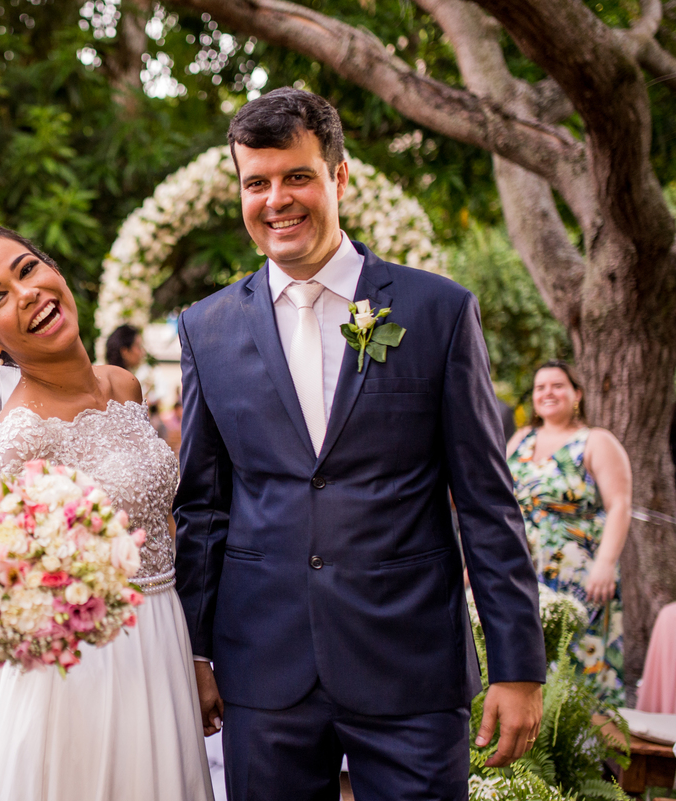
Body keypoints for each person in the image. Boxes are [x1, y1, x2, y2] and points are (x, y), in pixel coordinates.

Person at [174, 88, 545, 800]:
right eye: (257, 182)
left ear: (340, 177)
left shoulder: (439, 311)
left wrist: (517, 664)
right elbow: (204, 507)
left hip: (409, 666)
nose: (276, 199)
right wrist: (193, 647)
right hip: (264, 666)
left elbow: (486, 500)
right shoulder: (205, 329)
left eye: (297, 176)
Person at [0, 225, 213, 801]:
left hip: (166, 639)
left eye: (27, 269)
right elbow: (14, 600)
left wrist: (196, 657)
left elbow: (166, 520)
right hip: (91, 674)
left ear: (53, 270)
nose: (26, 293)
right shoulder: (19, 439)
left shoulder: (124, 386)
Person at [508, 360, 632, 704]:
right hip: (523, 570)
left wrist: (605, 564)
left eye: (557, 385)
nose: (548, 392)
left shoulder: (595, 441)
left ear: (576, 394)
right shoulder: (520, 441)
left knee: (577, 664)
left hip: (580, 574)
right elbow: (502, 506)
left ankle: (584, 754)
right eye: (540, 387)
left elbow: (619, 505)